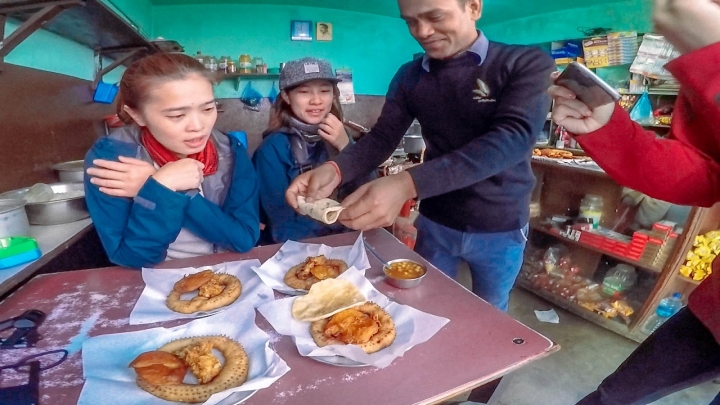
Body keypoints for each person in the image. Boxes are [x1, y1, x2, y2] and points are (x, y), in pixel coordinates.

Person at [286, 0, 555, 311]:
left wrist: (405, 184)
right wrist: (335, 169)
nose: (422, 32)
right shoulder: (410, 76)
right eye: (411, 21)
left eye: (435, 16)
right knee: (424, 303)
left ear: (474, 7)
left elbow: (511, 140)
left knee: (491, 310)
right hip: (437, 220)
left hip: (501, 225)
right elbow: (383, 137)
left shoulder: (525, 63)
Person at [548, 0, 720, 403]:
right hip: (715, 307)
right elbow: (707, 174)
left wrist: (715, 63)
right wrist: (614, 132)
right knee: (611, 397)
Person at [84, 53, 259, 269]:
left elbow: (242, 239)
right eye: (176, 115)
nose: (198, 126)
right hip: (156, 279)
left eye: (208, 108)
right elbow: (133, 258)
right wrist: (161, 189)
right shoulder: (113, 158)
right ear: (137, 115)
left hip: (225, 271)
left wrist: (161, 187)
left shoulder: (229, 152)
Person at [253, 57, 367, 243]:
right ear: (286, 97)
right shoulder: (272, 149)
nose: (316, 100)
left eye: (324, 91)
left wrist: (347, 147)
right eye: (304, 92)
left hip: (350, 240)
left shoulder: (342, 136)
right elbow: (282, 220)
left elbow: (367, 192)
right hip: (299, 248)